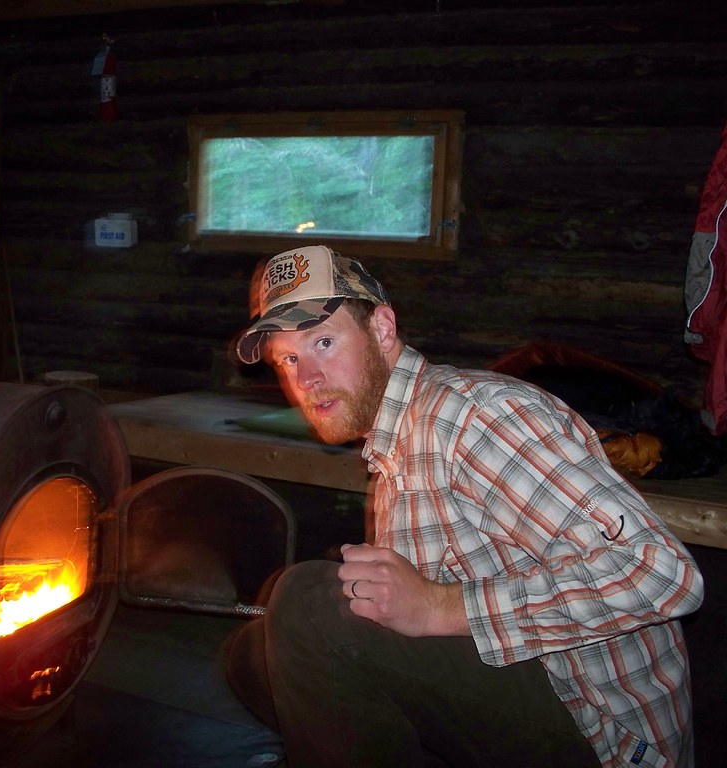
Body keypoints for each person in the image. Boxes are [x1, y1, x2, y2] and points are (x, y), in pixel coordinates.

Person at [225, 245, 705, 768]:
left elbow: (662, 576)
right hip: (516, 691)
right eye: (288, 359)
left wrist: (439, 606)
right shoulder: (398, 439)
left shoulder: (476, 418)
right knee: (254, 655)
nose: (306, 378)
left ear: (382, 330)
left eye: (323, 341)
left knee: (308, 605)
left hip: (602, 736)